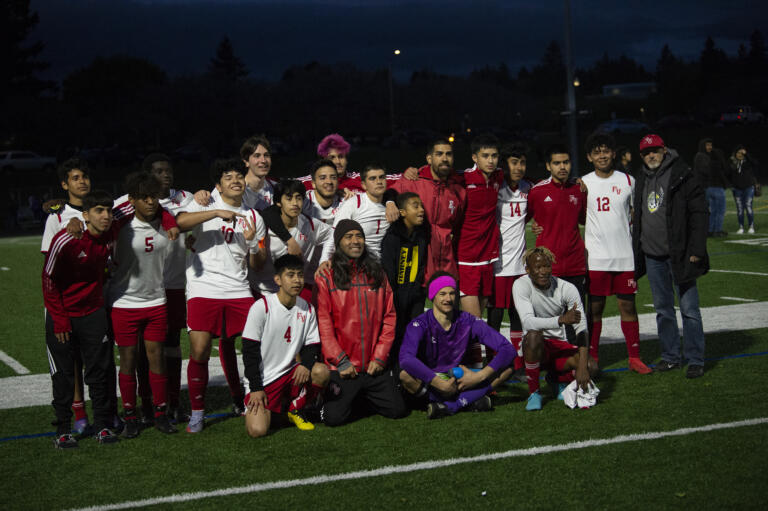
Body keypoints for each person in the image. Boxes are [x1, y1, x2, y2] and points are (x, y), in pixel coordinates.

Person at [175, 158, 266, 432]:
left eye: (239, 176)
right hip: (204, 288)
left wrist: (252, 244)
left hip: (238, 290)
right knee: (200, 351)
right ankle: (198, 412)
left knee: (255, 349)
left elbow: (257, 264)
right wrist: (215, 213)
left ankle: (251, 400)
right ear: (218, 185)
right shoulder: (204, 204)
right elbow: (180, 222)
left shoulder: (254, 216)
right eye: (228, 177)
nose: (236, 180)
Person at [43, 190, 131, 447]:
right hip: (63, 316)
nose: (105, 216)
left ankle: (102, 426)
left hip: (93, 314)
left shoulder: (109, 231)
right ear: (84, 215)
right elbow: (48, 279)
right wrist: (59, 320)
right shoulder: (66, 239)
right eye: (98, 211)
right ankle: (62, 430)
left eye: (107, 210)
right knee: (63, 376)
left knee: (100, 372)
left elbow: (134, 200)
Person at [315, 219, 407, 426]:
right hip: (345, 368)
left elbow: (390, 317)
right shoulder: (326, 277)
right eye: (349, 237)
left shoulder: (377, 273)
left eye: (359, 236)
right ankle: (330, 397)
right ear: (339, 243)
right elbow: (324, 323)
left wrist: (380, 357)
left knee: (397, 410)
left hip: (373, 366)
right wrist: (341, 361)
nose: (355, 241)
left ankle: (360, 396)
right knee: (333, 418)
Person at [106, 173, 178, 437]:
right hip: (124, 302)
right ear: (132, 200)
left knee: (156, 356)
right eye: (144, 198)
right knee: (128, 359)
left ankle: (160, 413)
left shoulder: (165, 218)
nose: (150, 202)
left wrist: (170, 221)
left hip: (156, 300)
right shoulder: (119, 221)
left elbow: (176, 215)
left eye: (154, 197)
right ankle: (130, 416)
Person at [633, 134, 709, 379]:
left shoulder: (683, 173)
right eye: (646, 152)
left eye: (655, 150)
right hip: (653, 255)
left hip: (681, 253)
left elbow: (699, 213)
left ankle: (695, 359)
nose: (651, 155)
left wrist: (697, 250)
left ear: (664, 150)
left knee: (689, 309)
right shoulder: (642, 178)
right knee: (663, 309)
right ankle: (670, 356)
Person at [399, 272, 516, 419]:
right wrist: (439, 384)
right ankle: (469, 401)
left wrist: (479, 376)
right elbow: (405, 359)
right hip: (433, 381)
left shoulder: (467, 321)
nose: (448, 299)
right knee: (405, 376)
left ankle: (449, 406)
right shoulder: (420, 324)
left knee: (509, 367)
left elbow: (508, 349)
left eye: (452, 294)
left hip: (462, 379)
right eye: (442, 294)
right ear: (433, 296)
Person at [580, 132, 651, 374]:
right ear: (589, 157)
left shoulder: (628, 181)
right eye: (596, 152)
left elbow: (637, 215)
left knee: (628, 307)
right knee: (594, 309)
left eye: (606, 151)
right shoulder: (583, 183)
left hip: (624, 258)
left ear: (613, 154)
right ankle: (593, 358)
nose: (602, 155)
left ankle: (635, 357)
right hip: (596, 259)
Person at [242, 255, 330, 437]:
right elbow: (249, 352)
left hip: (291, 374)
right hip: (264, 380)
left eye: (299, 275)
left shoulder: (306, 308)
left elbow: (312, 343)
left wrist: (305, 365)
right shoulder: (262, 307)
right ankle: (283, 413)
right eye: (290, 275)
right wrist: (256, 388)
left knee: (321, 372)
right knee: (257, 430)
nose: (297, 280)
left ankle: (295, 409)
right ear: (277, 280)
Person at [40, 158, 92, 434]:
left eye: (84, 176)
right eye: (75, 177)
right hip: (64, 302)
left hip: (94, 299)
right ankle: (77, 410)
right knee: (70, 361)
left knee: (97, 359)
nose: (82, 181)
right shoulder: (56, 217)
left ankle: (106, 415)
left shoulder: (99, 210)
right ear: (64, 184)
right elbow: (49, 268)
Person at [512, 247, 597, 411]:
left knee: (591, 367)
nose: (543, 271)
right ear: (528, 270)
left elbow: (582, 328)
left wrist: (582, 367)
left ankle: (555, 379)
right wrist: (561, 320)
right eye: (538, 267)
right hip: (536, 348)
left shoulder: (567, 288)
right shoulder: (520, 285)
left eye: (546, 266)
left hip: (559, 345)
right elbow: (528, 322)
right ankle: (534, 393)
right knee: (533, 337)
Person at [143, 153, 194, 422]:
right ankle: (149, 402)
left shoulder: (185, 198)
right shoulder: (134, 201)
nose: (166, 174)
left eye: (169, 170)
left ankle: (174, 401)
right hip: (144, 287)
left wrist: (205, 196)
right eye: (159, 170)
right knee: (147, 348)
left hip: (175, 284)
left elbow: (205, 202)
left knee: (173, 343)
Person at [385, 138, 466, 280]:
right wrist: (390, 203)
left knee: (446, 300)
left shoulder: (459, 190)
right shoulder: (415, 181)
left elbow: (458, 226)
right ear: (429, 158)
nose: (445, 158)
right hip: (417, 259)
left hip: (446, 260)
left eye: (449, 154)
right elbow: (391, 192)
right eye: (439, 154)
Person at [488, 142, 532, 375]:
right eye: (514, 162)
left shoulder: (529, 188)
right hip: (497, 265)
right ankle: (493, 363)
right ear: (505, 165)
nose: (519, 167)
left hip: (519, 267)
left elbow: (532, 217)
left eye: (522, 162)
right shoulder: (494, 189)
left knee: (517, 315)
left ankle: (517, 363)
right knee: (494, 317)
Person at [250, 179, 334, 301]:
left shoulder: (310, 224)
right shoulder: (263, 226)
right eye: (289, 199)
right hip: (264, 291)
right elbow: (256, 265)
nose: (295, 203)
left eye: (298, 198)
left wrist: (324, 260)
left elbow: (332, 234)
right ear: (278, 203)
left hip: (295, 292)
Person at [527, 144, 587, 300]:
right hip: (547, 265)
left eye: (566, 162)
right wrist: (534, 226)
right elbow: (521, 219)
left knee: (576, 315)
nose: (562, 167)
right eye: (557, 163)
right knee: (549, 316)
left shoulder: (579, 190)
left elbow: (585, 219)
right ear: (548, 166)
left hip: (576, 263)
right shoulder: (537, 191)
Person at [457, 134, 504, 320]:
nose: (490, 160)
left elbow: (525, 179)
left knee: (478, 317)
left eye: (494, 155)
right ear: (474, 157)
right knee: (474, 318)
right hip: (466, 257)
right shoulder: (463, 178)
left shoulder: (498, 176)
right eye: (485, 156)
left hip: (487, 257)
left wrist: (575, 181)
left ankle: (468, 348)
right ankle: (462, 349)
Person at [380, 192, 429, 364]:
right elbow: (389, 274)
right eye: (415, 206)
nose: (421, 210)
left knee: (415, 334)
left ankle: (413, 369)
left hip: (415, 296)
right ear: (402, 212)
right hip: (396, 299)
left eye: (421, 206)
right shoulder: (392, 238)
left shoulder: (421, 235)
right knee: (397, 336)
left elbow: (421, 265)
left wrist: (419, 292)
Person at [332, 164, 390, 259]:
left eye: (382, 177)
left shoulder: (392, 205)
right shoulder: (353, 203)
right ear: (363, 185)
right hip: (357, 263)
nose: (379, 181)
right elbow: (334, 234)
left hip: (384, 266)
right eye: (372, 178)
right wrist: (325, 260)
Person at [694, 137, 729, 237]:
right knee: (719, 210)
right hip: (713, 186)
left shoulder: (701, 156)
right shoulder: (704, 157)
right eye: (707, 145)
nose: (710, 147)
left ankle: (710, 230)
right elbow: (708, 171)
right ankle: (717, 230)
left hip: (707, 187)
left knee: (712, 211)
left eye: (711, 145)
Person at [728, 145, 758, 234]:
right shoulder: (733, 163)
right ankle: (741, 227)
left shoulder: (747, 162)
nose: (740, 154)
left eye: (741, 153)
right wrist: (731, 185)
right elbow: (728, 174)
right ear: (735, 154)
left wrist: (747, 154)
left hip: (748, 187)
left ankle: (751, 226)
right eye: (738, 153)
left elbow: (755, 163)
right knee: (740, 209)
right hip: (737, 189)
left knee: (748, 207)